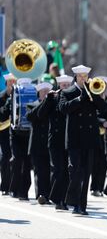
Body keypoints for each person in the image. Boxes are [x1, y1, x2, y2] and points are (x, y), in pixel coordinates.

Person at [58, 65, 107, 215]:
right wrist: (80, 99)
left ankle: (82, 205)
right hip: (74, 138)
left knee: (86, 172)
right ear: (75, 77)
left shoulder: (93, 91)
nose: (83, 78)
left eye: (85, 76)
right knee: (74, 170)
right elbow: (63, 108)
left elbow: (105, 109)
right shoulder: (67, 92)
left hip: (89, 138)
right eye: (80, 76)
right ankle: (72, 201)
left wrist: (96, 96)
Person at [39, 74, 73, 210]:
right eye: (63, 85)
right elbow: (40, 114)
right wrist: (47, 99)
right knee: (59, 170)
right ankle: (54, 197)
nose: (65, 87)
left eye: (67, 85)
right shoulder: (53, 98)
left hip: (68, 140)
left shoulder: (72, 98)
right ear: (59, 86)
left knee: (66, 171)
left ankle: (61, 201)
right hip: (55, 140)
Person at [26, 82, 53, 205]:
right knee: (39, 171)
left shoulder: (52, 106)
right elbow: (31, 116)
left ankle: (48, 195)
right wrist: (44, 102)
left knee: (49, 170)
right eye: (43, 92)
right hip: (37, 144)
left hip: (49, 143)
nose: (46, 94)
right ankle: (40, 195)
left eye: (48, 91)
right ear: (39, 94)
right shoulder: (32, 105)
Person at [6, 78, 33, 200]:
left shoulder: (34, 95)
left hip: (29, 133)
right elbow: (3, 113)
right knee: (17, 160)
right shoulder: (11, 98)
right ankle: (14, 188)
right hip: (16, 134)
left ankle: (24, 192)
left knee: (27, 163)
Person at [90, 76, 107, 197]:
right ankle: (94, 187)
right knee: (95, 163)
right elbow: (93, 116)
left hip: (105, 136)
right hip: (94, 134)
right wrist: (102, 121)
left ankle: (100, 188)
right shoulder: (93, 100)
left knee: (103, 163)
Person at [0, 73, 15, 195]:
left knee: (15, 159)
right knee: (5, 158)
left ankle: (14, 186)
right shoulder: (1, 97)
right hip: (4, 132)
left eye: (14, 82)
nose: (12, 85)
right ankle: (5, 186)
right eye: (10, 83)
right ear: (6, 84)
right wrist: (8, 103)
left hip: (16, 132)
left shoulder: (19, 95)